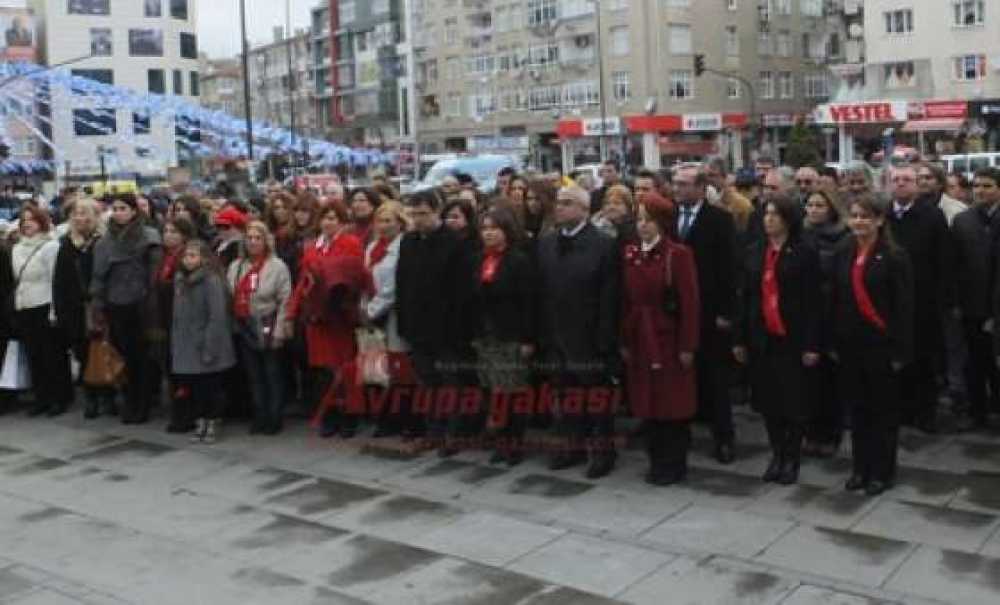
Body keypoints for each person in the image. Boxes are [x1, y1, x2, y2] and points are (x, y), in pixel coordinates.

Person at [734, 195, 822, 485]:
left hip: (792, 337)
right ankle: (776, 454)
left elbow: (813, 302)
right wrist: (739, 339)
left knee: (793, 402)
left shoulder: (804, 252)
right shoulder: (754, 251)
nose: (769, 219)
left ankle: (792, 457)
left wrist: (812, 344)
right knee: (769, 401)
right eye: (766, 214)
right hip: (761, 337)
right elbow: (745, 297)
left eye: (775, 214)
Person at [831, 193, 913, 496]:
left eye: (865, 216)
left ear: (879, 220)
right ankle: (860, 468)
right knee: (858, 411)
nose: (859, 222)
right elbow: (835, 298)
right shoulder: (843, 250)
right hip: (851, 345)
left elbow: (905, 307)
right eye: (854, 215)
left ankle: (882, 471)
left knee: (883, 413)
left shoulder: (894, 256)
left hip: (882, 346)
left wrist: (901, 351)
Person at [536, 185, 621, 478]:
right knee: (567, 398)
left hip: (589, 337)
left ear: (585, 210)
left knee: (597, 400)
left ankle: (602, 453)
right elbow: (541, 293)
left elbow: (610, 297)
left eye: (568, 203)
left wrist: (605, 339)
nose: (560, 207)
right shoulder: (546, 244)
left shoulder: (603, 245)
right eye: (558, 202)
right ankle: (571, 448)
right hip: (556, 337)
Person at [622, 193, 700, 485]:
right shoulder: (630, 253)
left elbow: (690, 303)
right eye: (639, 219)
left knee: (672, 404)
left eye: (648, 220)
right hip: (640, 337)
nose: (642, 226)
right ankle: (655, 460)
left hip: (668, 338)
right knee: (647, 402)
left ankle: (674, 463)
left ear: (662, 223)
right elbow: (625, 300)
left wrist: (687, 345)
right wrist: (624, 339)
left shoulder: (677, 255)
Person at [396, 190, 478, 454]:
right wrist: (405, 323)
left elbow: (462, 292)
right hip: (417, 328)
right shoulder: (408, 241)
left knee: (451, 382)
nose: (418, 219)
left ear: (436, 212)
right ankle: (434, 431)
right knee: (427, 382)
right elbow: (403, 284)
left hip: (447, 331)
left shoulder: (455, 243)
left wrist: (457, 330)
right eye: (414, 214)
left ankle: (455, 433)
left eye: (423, 213)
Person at [674, 165, 738, 463]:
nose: (678, 189)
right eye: (675, 184)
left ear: (700, 187)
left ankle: (724, 437)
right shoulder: (669, 218)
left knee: (716, 378)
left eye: (684, 184)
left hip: (711, 311)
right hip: (677, 312)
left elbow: (730, 269)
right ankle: (681, 431)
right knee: (682, 376)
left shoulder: (720, 220)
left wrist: (726, 311)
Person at [286, 201, 365, 437]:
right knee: (323, 370)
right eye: (325, 218)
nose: (328, 222)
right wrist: (292, 310)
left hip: (339, 318)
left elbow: (352, 278)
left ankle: (350, 415)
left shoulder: (350, 243)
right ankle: (330, 414)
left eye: (333, 218)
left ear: (342, 221)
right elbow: (303, 281)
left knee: (345, 369)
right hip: (316, 318)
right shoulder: (312, 246)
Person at [886, 164, 950, 433]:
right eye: (896, 179)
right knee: (897, 359)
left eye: (907, 179)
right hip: (891, 302)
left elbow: (944, 261)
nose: (901, 184)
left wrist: (944, 300)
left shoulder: (932, 216)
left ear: (916, 185)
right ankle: (902, 409)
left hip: (924, 302)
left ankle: (925, 411)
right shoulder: (884, 215)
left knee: (924, 359)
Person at [90, 195, 163, 424]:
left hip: (141, 304)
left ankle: (143, 403)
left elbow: (154, 274)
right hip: (116, 304)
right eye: (115, 208)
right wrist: (98, 306)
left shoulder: (148, 236)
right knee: (122, 356)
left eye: (123, 208)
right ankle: (129, 400)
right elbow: (99, 276)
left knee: (143, 356)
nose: (118, 212)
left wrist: (150, 301)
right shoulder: (105, 242)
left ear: (133, 211)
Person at [472, 206, 535, 466]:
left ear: (506, 231)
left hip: (511, 337)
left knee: (512, 391)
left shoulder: (518, 261)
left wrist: (528, 339)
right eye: (485, 228)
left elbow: (529, 303)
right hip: (486, 337)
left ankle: (515, 443)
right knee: (492, 391)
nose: (488, 233)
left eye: (494, 228)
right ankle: (500, 440)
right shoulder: (480, 260)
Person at [228, 221, 293, 435]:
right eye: (249, 238)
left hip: (269, 324)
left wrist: (280, 331)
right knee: (254, 375)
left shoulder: (277, 266)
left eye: (258, 238)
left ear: (266, 241)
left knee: (272, 373)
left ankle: (275, 416)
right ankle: (259, 415)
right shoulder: (236, 266)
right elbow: (230, 295)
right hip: (245, 326)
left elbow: (286, 300)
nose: (253, 242)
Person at [172, 240, 237, 444]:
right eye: (186, 256)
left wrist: (210, 346)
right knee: (194, 386)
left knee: (211, 386)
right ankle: (200, 419)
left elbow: (216, 316)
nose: (188, 260)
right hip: (186, 341)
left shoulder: (211, 280)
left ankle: (212, 420)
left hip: (207, 341)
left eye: (193, 256)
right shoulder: (180, 279)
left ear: (204, 258)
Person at [801, 189, 850, 456]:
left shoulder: (843, 238)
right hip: (807, 313)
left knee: (831, 381)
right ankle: (810, 432)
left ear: (831, 208)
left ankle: (831, 433)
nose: (814, 209)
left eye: (820, 205)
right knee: (809, 381)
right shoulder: (801, 236)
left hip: (832, 313)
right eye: (810, 204)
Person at [13, 205, 73, 417]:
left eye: (32, 219)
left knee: (52, 355)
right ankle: (42, 397)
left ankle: (60, 397)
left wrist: (54, 311)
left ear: (41, 222)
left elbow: (53, 281)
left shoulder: (50, 246)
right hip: (24, 307)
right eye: (23, 220)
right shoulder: (17, 248)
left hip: (45, 306)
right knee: (34, 356)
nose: (27, 223)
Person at [361, 201, 414, 437]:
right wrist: (364, 308)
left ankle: (408, 420)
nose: (382, 226)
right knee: (378, 371)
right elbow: (365, 280)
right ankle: (386, 419)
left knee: (401, 371)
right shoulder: (372, 247)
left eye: (388, 220)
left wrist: (371, 311)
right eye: (379, 220)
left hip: (393, 315)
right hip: (373, 316)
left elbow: (393, 288)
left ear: (400, 222)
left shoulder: (405, 247)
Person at [52, 199, 108, 419]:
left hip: (98, 306)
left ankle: (108, 394)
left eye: (84, 213)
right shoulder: (66, 244)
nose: (78, 218)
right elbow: (60, 280)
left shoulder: (102, 241)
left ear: (94, 216)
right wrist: (59, 310)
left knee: (104, 350)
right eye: (75, 214)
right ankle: (91, 397)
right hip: (75, 309)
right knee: (83, 353)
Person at [954, 167, 1000, 430]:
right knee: (975, 362)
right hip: (972, 305)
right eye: (977, 186)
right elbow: (954, 264)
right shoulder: (963, 221)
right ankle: (978, 413)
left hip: (997, 304)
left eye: (988, 186)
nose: (980, 191)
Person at [155, 217, 197, 432]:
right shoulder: (166, 257)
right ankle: (178, 412)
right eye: (166, 231)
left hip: (184, 322)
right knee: (171, 368)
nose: (168, 235)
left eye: (174, 231)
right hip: (167, 319)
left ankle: (186, 414)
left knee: (184, 371)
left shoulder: (186, 257)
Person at [706, 157, 754, 233]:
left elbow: (744, 233)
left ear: (724, 176)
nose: (708, 179)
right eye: (706, 175)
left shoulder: (741, 203)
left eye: (712, 175)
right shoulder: (702, 198)